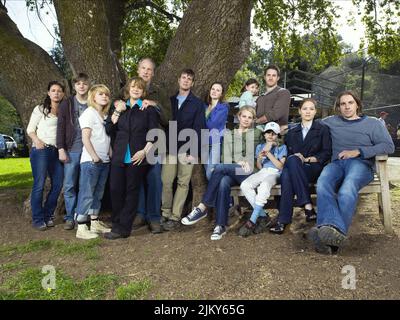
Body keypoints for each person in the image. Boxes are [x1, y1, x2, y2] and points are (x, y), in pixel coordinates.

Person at [308, 91, 395, 254]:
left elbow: (388, 146)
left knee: (347, 189)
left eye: (350, 103)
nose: (347, 107)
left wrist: (358, 151)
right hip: (336, 164)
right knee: (322, 184)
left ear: (357, 104)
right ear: (338, 107)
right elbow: (309, 124)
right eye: (343, 104)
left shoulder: (373, 123)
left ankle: (326, 235)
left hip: (360, 164)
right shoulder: (330, 122)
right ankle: (331, 234)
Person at [181, 106, 262, 240]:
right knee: (223, 182)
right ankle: (220, 226)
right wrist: (238, 161)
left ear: (253, 120)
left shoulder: (258, 133)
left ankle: (203, 207)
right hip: (233, 169)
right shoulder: (229, 134)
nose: (246, 120)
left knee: (218, 168)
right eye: (244, 116)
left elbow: (270, 144)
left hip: (250, 171)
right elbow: (225, 157)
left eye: (250, 117)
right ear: (238, 117)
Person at [104, 77, 159, 240]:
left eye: (139, 88)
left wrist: (144, 151)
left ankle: (123, 228)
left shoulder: (147, 109)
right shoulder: (120, 106)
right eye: (133, 87)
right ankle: (117, 223)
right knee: (115, 190)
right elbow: (109, 128)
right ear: (129, 88)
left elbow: (153, 134)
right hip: (120, 156)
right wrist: (118, 111)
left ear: (143, 92)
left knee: (131, 191)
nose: (136, 89)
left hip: (138, 156)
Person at [269, 98, 332, 234]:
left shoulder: (322, 129)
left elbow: (327, 152)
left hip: (313, 167)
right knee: (288, 171)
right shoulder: (292, 132)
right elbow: (288, 154)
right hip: (294, 169)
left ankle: (283, 220)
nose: (308, 111)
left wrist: (307, 159)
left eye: (311, 108)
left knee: (289, 170)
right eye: (304, 108)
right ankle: (308, 206)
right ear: (299, 111)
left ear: (315, 111)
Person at [161, 69, 206, 231]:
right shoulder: (170, 101)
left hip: (187, 149)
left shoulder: (198, 103)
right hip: (170, 147)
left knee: (183, 182)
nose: (186, 81)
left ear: (192, 83)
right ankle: (165, 212)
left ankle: (175, 216)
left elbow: (200, 128)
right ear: (178, 80)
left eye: (189, 79)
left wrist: (194, 151)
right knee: (166, 181)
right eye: (184, 78)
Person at [131, 58, 170, 233]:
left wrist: (155, 105)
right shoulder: (129, 88)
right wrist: (117, 104)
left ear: (153, 73)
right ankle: (139, 214)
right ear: (138, 70)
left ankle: (154, 217)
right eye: (143, 68)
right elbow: (115, 103)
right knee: (136, 178)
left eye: (149, 70)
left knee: (154, 179)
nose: (146, 72)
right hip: (134, 142)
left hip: (155, 142)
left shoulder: (159, 93)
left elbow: (169, 119)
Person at [74, 84, 113, 239]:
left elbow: (105, 138)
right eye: (100, 94)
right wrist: (94, 156)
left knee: (98, 193)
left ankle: (95, 222)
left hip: (104, 161)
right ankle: (81, 227)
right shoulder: (89, 113)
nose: (104, 96)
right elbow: (85, 137)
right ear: (93, 97)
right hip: (91, 161)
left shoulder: (104, 116)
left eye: (106, 94)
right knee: (87, 193)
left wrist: (109, 154)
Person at [27, 81, 65, 230]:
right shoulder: (40, 109)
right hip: (41, 150)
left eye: (59, 91)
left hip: (57, 151)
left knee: (58, 183)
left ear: (63, 94)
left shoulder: (64, 111)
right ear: (48, 93)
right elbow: (30, 129)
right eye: (53, 90)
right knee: (39, 184)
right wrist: (37, 141)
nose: (56, 93)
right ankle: (37, 219)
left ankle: (48, 214)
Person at [238, 121, 287, 237]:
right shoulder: (260, 147)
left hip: (275, 173)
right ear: (264, 134)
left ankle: (252, 220)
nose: (271, 135)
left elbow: (280, 166)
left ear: (278, 135)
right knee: (245, 185)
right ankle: (263, 215)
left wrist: (269, 153)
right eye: (268, 133)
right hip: (263, 171)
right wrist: (260, 158)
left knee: (264, 185)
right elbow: (260, 166)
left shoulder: (282, 147)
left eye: (274, 133)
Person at [57, 73, 90, 230]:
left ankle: (81, 216)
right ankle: (70, 217)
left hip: (89, 151)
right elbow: (61, 127)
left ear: (88, 85)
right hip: (72, 150)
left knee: (86, 185)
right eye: (78, 84)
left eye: (84, 83)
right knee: (69, 184)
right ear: (74, 86)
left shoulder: (93, 103)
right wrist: (61, 148)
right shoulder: (67, 104)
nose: (81, 86)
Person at [204, 82, 229, 180]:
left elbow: (212, 124)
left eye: (218, 90)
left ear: (221, 94)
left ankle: (219, 193)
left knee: (211, 173)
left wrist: (202, 122)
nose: (214, 91)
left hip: (215, 142)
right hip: (204, 142)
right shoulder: (204, 106)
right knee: (207, 172)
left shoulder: (223, 107)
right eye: (213, 89)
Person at [255, 65, 291, 133]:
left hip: (277, 134)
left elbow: (275, 114)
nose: (271, 78)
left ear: (278, 78)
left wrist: (256, 122)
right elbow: (253, 114)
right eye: (268, 75)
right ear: (264, 77)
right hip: (259, 132)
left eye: (274, 75)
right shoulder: (260, 97)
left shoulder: (283, 92)